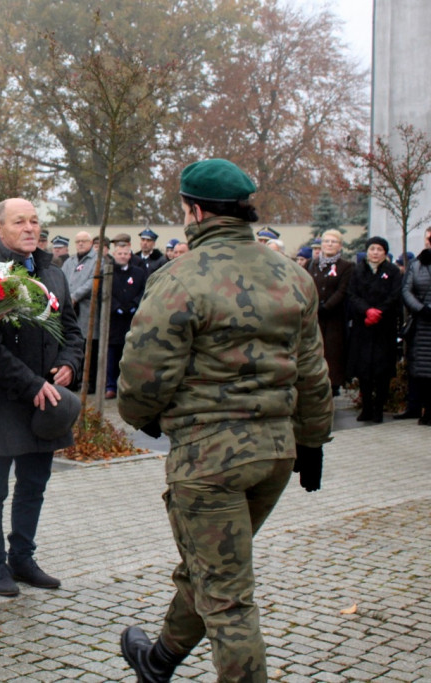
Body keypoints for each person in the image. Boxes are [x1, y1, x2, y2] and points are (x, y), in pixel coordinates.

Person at [117, 158, 333, 682]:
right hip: (275, 455)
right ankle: (160, 660)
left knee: (228, 597)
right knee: (213, 570)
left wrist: (144, 419)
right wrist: (313, 442)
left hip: (209, 461)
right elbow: (312, 372)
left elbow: (142, 379)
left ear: (193, 211)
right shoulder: (294, 275)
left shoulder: (179, 277)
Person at [0, 198, 83, 597]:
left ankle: (23, 557)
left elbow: (71, 328)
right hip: (5, 399)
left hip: (48, 400)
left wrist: (69, 363)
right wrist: (31, 384)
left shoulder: (53, 273)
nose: (30, 228)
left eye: (34, 221)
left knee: (34, 483)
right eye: (20, 222)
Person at [346, 236, 402, 423]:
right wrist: (366, 310)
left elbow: (395, 295)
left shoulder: (392, 271)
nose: (375, 252)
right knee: (364, 370)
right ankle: (367, 407)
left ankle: (378, 407)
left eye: (379, 249)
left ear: (385, 252)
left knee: (382, 370)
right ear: (367, 251)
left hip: (384, 327)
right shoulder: (358, 270)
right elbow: (352, 294)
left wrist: (379, 312)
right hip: (363, 326)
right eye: (372, 249)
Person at [307, 229, 353, 396]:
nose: (329, 244)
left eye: (333, 242)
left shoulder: (346, 266)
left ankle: (332, 387)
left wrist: (326, 307)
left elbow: (342, 291)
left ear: (339, 246)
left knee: (332, 355)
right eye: (326, 241)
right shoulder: (311, 264)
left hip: (334, 319)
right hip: (314, 317)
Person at [62, 231, 104, 390]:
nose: (80, 244)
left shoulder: (97, 261)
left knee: (88, 345)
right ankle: (73, 378)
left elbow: (93, 281)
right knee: (72, 342)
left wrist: (75, 296)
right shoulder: (70, 261)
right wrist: (66, 297)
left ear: (91, 243)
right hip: (69, 309)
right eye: (77, 241)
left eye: (84, 241)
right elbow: (62, 279)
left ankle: (89, 382)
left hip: (87, 309)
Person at [104, 242, 145, 400]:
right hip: (114, 321)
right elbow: (105, 292)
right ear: (114, 254)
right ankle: (111, 386)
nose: (123, 256)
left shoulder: (139, 272)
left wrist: (135, 304)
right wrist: (117, 307)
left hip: (132, 320)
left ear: (130, 255)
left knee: (130, 354)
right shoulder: (109, 272)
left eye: (125, 253)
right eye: (120, 253)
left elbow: (143, 289)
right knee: (112, 356)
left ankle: (127, 387)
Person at [402, 228, 431, 424]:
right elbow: (406, 290)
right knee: (420, 369)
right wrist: (420, 309)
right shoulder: (417, 263)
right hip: (421, 324)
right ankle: (419, 408)